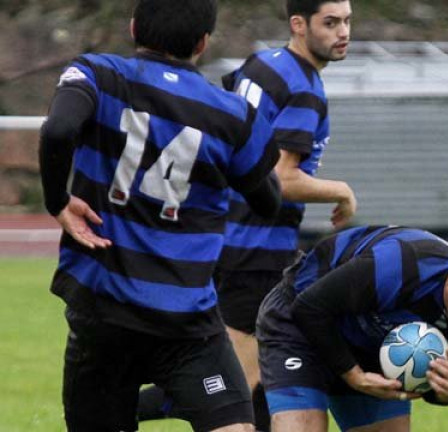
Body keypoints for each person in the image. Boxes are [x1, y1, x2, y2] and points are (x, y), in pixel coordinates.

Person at [37, 0, 282, 431]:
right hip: (186, 317)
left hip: (103, 308)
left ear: (133, 28)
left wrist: (58, 200)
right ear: (203, 43)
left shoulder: (99, 74)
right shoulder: (231, 114)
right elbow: (268, 201)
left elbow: (58, 129)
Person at [137, 1, 356, 429]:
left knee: (256, 379)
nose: (343, 32)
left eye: (347, 21)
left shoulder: (262, 64)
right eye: (330, 23)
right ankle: (113, 408)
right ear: (299, 25)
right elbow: (281, 179)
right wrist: (342, 192)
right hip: (255, 250)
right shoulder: (305, 88)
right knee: (235, 382)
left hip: (224, 238)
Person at [256, 226, 448, 431]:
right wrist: (354, 376)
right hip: (299, 322)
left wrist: (447, 392)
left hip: (372, 347)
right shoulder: (401, 266)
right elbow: (309, 307)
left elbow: (433, 389)